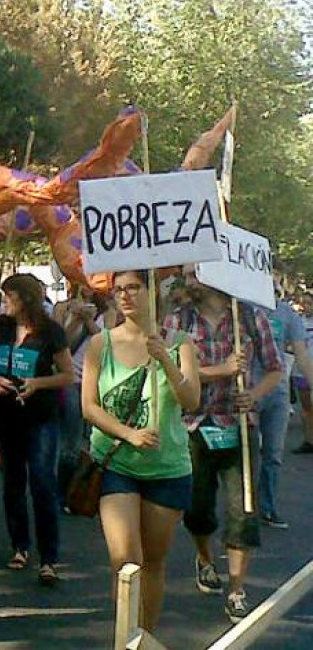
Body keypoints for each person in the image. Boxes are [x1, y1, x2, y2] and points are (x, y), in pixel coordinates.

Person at [82, 270, 201, 633]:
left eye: (133, 287)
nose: (125, 295)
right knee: (125, 561)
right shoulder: (100, 343)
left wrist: (164, 358)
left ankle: (143, 637)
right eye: (118, 290)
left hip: (167, 469)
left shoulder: (181, 343)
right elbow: (89, 406)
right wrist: (128, 434)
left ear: (152, 292)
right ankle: (124, 636)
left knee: (152, 562)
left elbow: (191, 400)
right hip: (117, 464)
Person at [163, 265, 283, 623]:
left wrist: (255, 396)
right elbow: (169, 371)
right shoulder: (177, 321)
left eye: (194, 274)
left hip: (239, 425)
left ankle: (236, 589)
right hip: (194, 426)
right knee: (198, 508)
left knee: (242, 509)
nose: (187, 281)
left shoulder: (250, 317)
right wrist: (222, 370)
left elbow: (274, 368)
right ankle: (204, 558)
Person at [0, 273, 73, 585]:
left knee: (43, 483)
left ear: (26, 299)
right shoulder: (2, 327)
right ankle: (20, 545)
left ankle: (49, 557)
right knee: (12, 483)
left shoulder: (51, 332)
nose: (5, 302)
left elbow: (67, 375)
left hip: (40, 417)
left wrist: (37, 383)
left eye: (10, 297)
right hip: (5, 418)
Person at [54, 288, 119, 507]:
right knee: (70, 440)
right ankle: (62, 492)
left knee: (96, 438)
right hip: (71, 379)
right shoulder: (63, 307)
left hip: (96, 380)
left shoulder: (108, 311)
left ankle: (90, 488)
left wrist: (89, 321)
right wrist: (74, 319)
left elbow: (106, 342)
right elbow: (58, 341)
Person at [257, 285, 313, 527]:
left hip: (277, 394)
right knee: (241, 455)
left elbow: (301, 353)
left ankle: (266, 509)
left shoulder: (287, 314)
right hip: (246, 392)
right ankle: (242, 509)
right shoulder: (243, 308)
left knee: (273, 454)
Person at [294, 291, 313, 453]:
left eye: (309, 303)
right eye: (304, 303)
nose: (306, 307)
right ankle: (309, 440)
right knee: (306, 408)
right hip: (301, 370)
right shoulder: (299, 321)